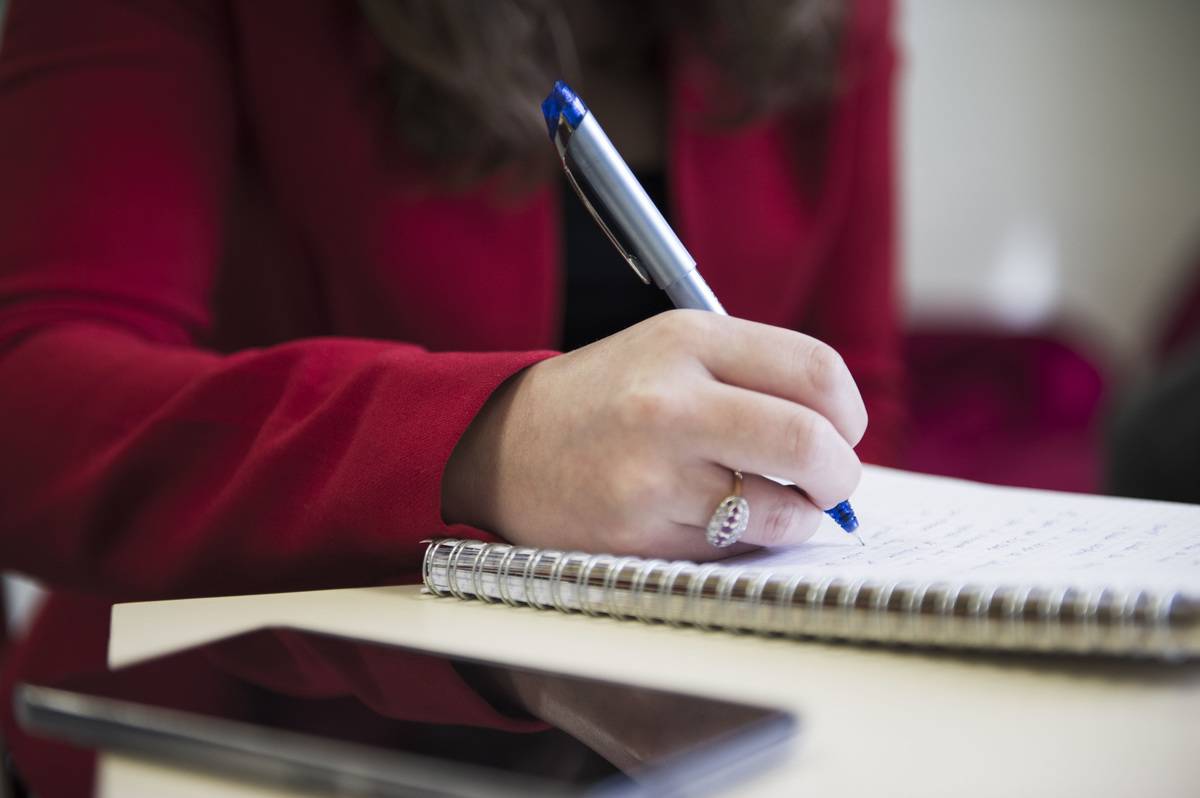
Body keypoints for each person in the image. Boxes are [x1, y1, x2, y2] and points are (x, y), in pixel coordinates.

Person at [0, 0, 900, 792]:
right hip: (243, 733)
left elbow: (856, 385)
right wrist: (490, 443)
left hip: (723, 737)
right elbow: (32, 394)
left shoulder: (831, 16)